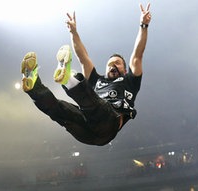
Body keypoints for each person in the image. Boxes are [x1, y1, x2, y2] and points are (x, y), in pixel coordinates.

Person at [20, 4, 152, 146]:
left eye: (117, 63)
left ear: (125, 70)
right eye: (110, 64)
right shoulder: (97, 80)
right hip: (87, 131)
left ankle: (69, 79)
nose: (113, 65)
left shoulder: (130, 80)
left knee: (93, 104)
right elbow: (83, 57)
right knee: (59, 109)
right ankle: (34, 86)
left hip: (107, 125)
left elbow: (137, 55)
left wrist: (143, 25)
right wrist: (73, 32)